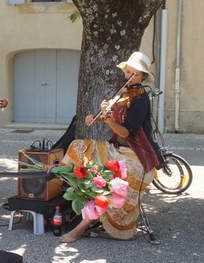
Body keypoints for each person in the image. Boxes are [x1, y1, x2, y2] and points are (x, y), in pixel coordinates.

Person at [59, 51, 163, 243]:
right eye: (128, 72)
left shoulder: (141, 100)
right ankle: (73, 199)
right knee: (78, 146)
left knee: (108, 182)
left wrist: (107, 121)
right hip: (118, 149)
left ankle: (82, 226)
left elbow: (125, 132)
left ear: (143, 77)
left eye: (135, 74)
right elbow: (110, 120)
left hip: (137, 154)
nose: (129, 77)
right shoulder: (123, 94)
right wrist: (96, 118)